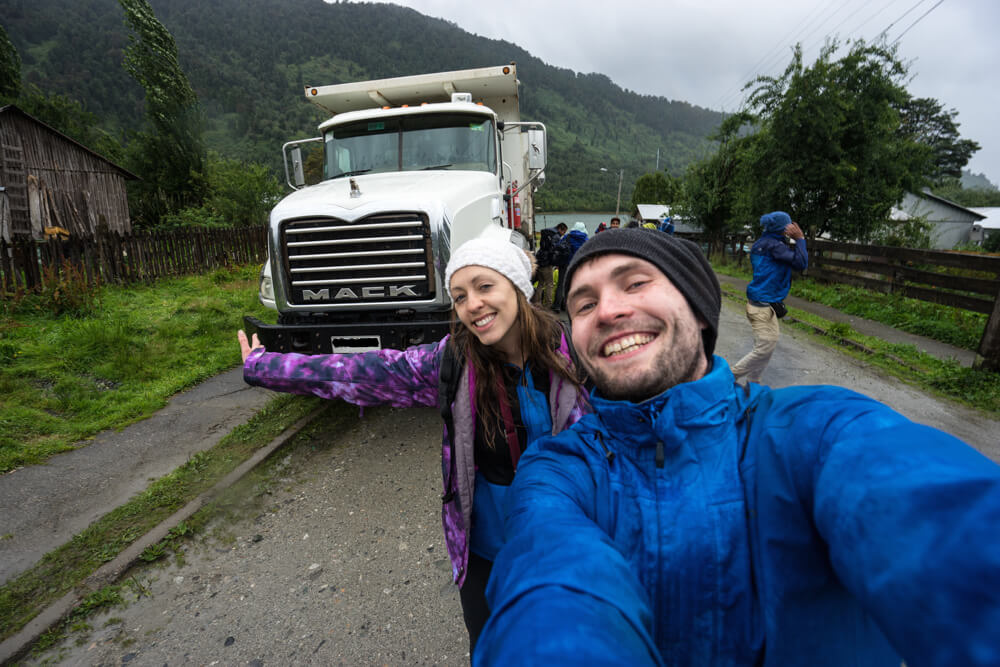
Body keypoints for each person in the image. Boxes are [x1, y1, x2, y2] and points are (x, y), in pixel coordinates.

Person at [474, 228, 1000, 666]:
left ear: (701, 312)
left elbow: (939, 518)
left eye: (635, 283)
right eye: (583, 303)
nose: (607, 310)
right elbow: (549, 579)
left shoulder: (814, 431)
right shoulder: (560, 468)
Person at [238, 227, 589, 653]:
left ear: (516, 286)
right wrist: (264, 366)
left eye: (484, 286)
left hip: (569, 541)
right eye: (459, 296)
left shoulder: (576, 353)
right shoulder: (451, 361)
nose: (472, 305)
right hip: (486, 550)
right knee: (493, 648)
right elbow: (359, 373)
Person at [730, 210, 807, 383]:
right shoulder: (774, 246)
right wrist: (800, 239)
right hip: (762, 306)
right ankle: (728, 377)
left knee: (766, 347)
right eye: (788, 225)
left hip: (762, 304)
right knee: (765, 348)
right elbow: (801, 263)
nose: (790, 228)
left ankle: (753, 384)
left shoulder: (763, 243)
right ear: (782, 227)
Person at [550, 221, 589, 312]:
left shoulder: (568, 236)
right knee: (574, 285)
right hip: (578, 265)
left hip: (565, 264)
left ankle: (557, 306)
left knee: (561, 284)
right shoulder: (585, 239)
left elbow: (558, 245)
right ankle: (570, 305)